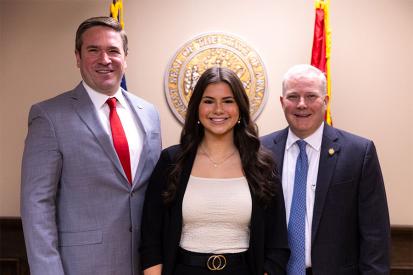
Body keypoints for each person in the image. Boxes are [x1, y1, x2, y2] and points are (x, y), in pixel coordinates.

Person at [20, 16, 161, 275]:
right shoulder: (49, 116)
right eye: (93, 50)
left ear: (126, 58)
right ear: (77, 57)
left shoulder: (149, 113)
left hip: (145, 266)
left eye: (113, 50)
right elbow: (36, 205)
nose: (104, 59)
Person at [140, 67, 290, 275]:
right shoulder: (171, 161)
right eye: (209, 101)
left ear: (240, 108)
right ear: (197, 109)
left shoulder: (262, 165)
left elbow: (277, 244)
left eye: (228, 101)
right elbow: (151, 239)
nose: (218, 109)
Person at [261, 64, 390, 275]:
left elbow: (375, 233)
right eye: (293, 97)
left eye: (311, 96)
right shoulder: (260, 151)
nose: (302, 104)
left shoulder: (358, 153)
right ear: (282, 102)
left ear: (326, 101)